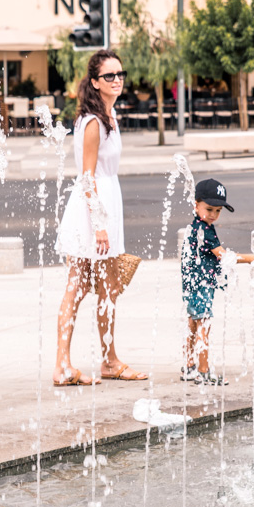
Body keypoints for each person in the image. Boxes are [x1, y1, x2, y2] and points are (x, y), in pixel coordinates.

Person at [54, 49, 148, 386]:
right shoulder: (94, 121)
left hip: (103, 204)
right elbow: (87, 176)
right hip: (93, 209)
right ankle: (69, 364)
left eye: (120, 74)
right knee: (80, 288)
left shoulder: (107, 116)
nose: (117, 80)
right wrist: (99, 224)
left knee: (106, 288)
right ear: (95, 82)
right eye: (109, 76)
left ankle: (106, 360)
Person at [181, 177, 254, 386]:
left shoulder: (197, 226)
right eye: (209, 209)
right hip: (201, 284)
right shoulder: (204, 230)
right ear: (195, 204)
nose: (213, 215)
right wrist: (250, 258)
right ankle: (203, 372)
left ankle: (189, 366)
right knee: (204, 325)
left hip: (192, 284)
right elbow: (223, 256)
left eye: (218, 211)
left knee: (193, 324)